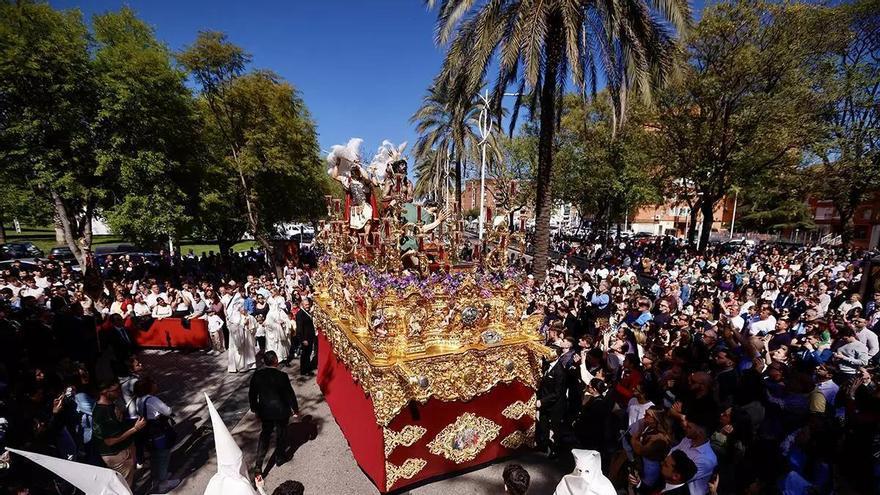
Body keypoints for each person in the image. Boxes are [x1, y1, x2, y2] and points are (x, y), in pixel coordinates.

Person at [249, 351, 300, 477]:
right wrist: (295, 409)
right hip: (281, 411)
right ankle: (279, 458)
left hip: (265, 411)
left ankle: (258, 465)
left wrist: (255, 409)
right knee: (281, 434)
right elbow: (289, 394)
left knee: (265, 436)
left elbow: (252, 394)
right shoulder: (282, 376)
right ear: (276, 360)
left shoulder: (257, 375)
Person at [92, 381, 146, 486]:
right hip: (117, 454)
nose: (119, 392)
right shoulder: (102, 413)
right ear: (104, 392)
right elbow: (110, 441)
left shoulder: (110, 405)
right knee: (124, 486)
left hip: (123, 451)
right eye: (116, 390)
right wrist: (135, 428)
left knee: (128, 481)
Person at [134, 376, 179, 493]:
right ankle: (163, 483)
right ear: (148, 387)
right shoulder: (152, 400)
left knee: (154, 456)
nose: (155, 385)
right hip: (158, 432)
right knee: (163, 456)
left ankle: (157, 476)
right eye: (153, 383)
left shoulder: (139, 399)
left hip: (147, 432)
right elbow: (168, 411)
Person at [628, 449, 698, 495]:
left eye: (665, 464)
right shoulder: (664, 477)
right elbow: (650, 491)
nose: (661, 463)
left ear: (676, 476)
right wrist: (638, 483)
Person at [296, 298, 316, 376]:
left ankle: (307, 369)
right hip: (305, 338)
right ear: (302, 305)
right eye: (306, 305)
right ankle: (305, 370)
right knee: (305, 355)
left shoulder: (307, 312)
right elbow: (299, 328)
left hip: (310, 337)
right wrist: (303, 339)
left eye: (308, 304)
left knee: (308, 354)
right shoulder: (300, 314)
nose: (307, 306)